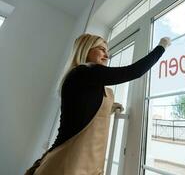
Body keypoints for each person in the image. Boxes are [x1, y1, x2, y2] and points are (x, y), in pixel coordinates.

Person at [25, 33, 171, 175]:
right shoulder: (84, 72)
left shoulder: (83, 78)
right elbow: (134, 71)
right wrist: (161, 46)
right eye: (102, 49)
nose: (107, 56)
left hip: (81, 161)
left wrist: (110, 106)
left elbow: (86, 109)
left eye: (107, 51)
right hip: (68, 162)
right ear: (86, 49)